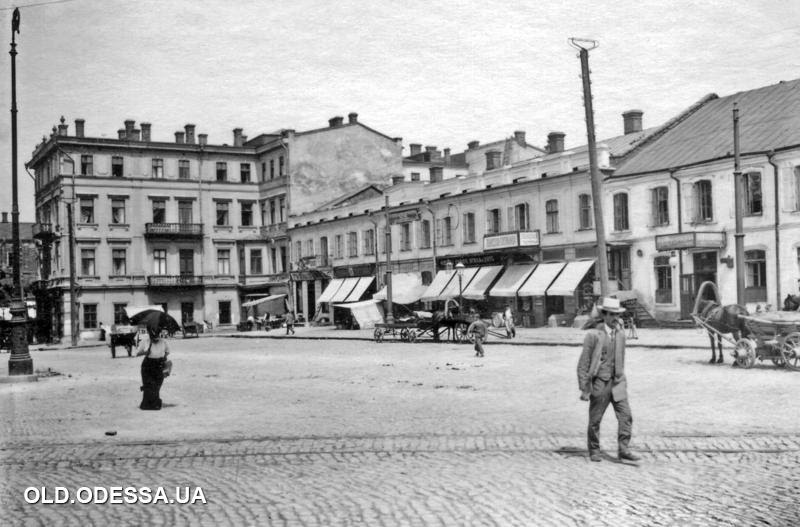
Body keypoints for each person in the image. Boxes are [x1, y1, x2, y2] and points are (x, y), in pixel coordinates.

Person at [576, 297, 640, 462]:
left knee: (626, 416)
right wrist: (584, 387)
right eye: (611, 314)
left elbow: (621, 359)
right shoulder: (593, 335)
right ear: (604, 315)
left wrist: (621, 376)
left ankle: (623, 449)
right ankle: (594, 450)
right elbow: (583, 363)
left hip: (617, 383)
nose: (614, 318)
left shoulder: (621, 334)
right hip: (600, 383)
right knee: (595, 419)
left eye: (617, 314)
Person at [136, 326, 169, 410]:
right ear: (150, 334)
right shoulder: (145, 341)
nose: (156, 338)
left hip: (159, 364)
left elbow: (167, 352)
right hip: (148, 365)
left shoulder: (163, 342)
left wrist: (164, 358)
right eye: (153, 336)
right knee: (149, 385)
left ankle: (155, 403)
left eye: (157, 335)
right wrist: (145, 352)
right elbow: (137, 353)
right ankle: (148, 405)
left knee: (157, 385)